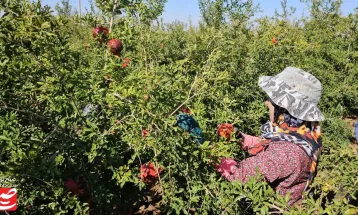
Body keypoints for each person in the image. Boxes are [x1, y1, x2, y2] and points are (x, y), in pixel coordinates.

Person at [216, 67, 324, 206]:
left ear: (283, 109)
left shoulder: (287, 152)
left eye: (271, 101)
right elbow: (268, 145)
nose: (266, 102)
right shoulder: (303, 133)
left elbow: (240, 175)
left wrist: (209, 153)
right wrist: (238, 136)